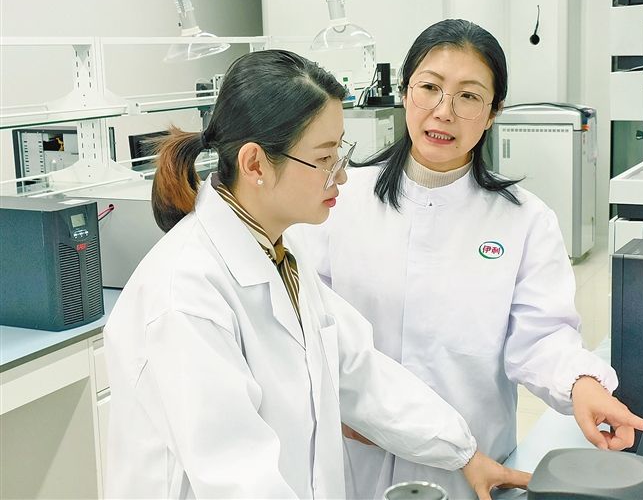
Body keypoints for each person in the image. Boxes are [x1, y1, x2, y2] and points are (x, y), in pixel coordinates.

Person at [103, 49, 530, 500]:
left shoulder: (278, 255)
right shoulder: (186, 295)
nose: (341, 177)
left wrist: (464, 454)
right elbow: (241, 480)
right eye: (325, 158)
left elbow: (358, 370)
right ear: (255, 164)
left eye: (340, 152)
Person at [294, 20, 643, 499]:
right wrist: (328, 406)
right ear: (405, 93)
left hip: (472, 470)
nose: (444, 112)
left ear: (492, 113)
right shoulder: (337, 200)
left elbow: (542, 337)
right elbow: (303, 326)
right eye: (430, 88)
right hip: (356, 459)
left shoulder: (524, 220)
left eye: (468, 96)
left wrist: (583, 383)